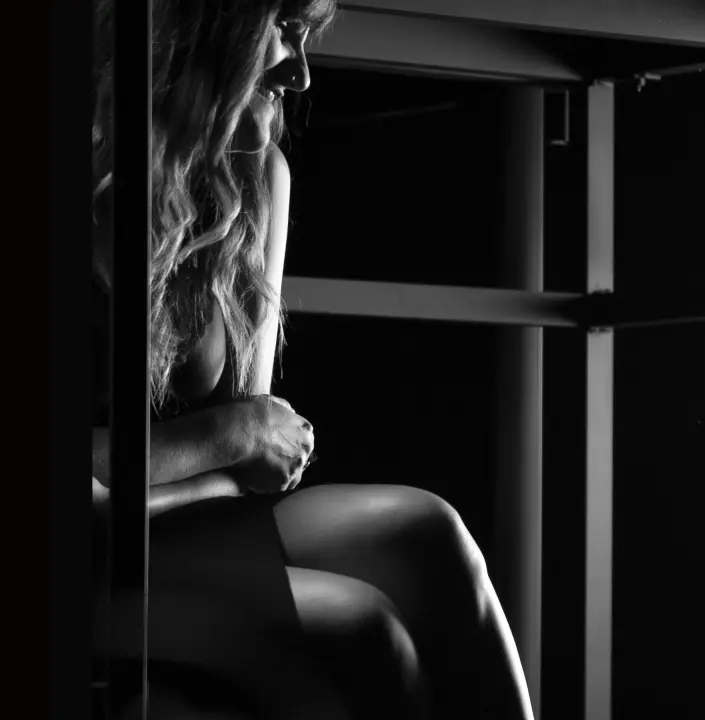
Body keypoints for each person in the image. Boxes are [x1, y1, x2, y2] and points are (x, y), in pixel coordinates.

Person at [90, 1, 535, 718]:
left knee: (432, 533)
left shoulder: (259, 178)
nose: (300, 75)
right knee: (363, 628)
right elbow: (245, 436)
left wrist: (206, 455)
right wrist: (226, 436)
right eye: (285, 30)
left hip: (179, 520)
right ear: (208, 26)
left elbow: (261, 468)